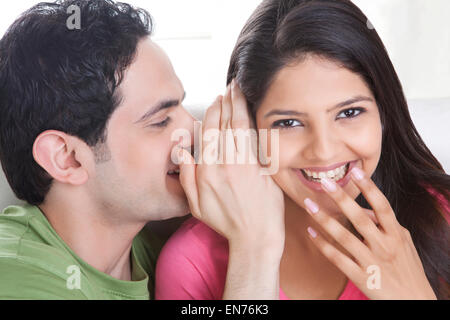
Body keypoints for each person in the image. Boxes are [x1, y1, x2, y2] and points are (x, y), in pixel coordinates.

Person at [155, 0, 450, 300]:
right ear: (246, 130)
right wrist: (254, 252)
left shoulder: (441, 218)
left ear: (383, 113)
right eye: (289, 122)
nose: (323, 151)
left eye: (349, 113)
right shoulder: (192, 264)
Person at [0, 0, 284, 299]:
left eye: (182, 108)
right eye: (161, 121)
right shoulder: (18, 281)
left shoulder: (148, 246)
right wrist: (256, 248)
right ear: (67, 158)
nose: (196, 131)